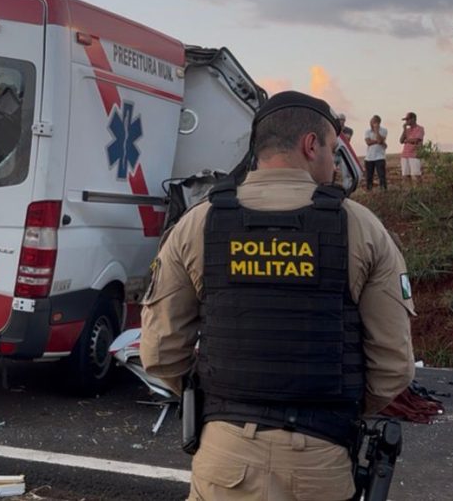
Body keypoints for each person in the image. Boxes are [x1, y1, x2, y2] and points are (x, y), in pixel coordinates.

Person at [140, 91, 416, 501]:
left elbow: (160, 353)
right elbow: (393, 366)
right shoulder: (362, 227)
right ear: (311, 145)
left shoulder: (198, 224)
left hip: (223, 459)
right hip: (321, 463)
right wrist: (331, 409)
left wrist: (221, 400)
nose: (334, 166)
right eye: (333, 151)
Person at [364, 115, 388, 191]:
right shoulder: (367, 131)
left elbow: (380, 141)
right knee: (369, 177)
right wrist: (378, 141)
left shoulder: (384, 130)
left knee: (381, 175)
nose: (371, 123)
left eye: (373, 122)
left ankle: (383, 190)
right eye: (371, 122)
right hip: (369, 157)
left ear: (378, 123)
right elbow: (368, 142)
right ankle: (369, 191)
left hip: (380, 157)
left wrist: (377, 131)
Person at [399, 111, 425, 184]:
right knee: (405, 176)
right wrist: (404, 129)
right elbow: (401, 140)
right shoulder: (407, 130)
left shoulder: (420, 128)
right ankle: (409, 190)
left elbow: (416, 140)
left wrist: (407, 140)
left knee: (416, 175)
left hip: (414, 154)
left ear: (413, 119)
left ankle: (419, 189)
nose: (406, 121)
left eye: (408, 119)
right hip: (405, 155)